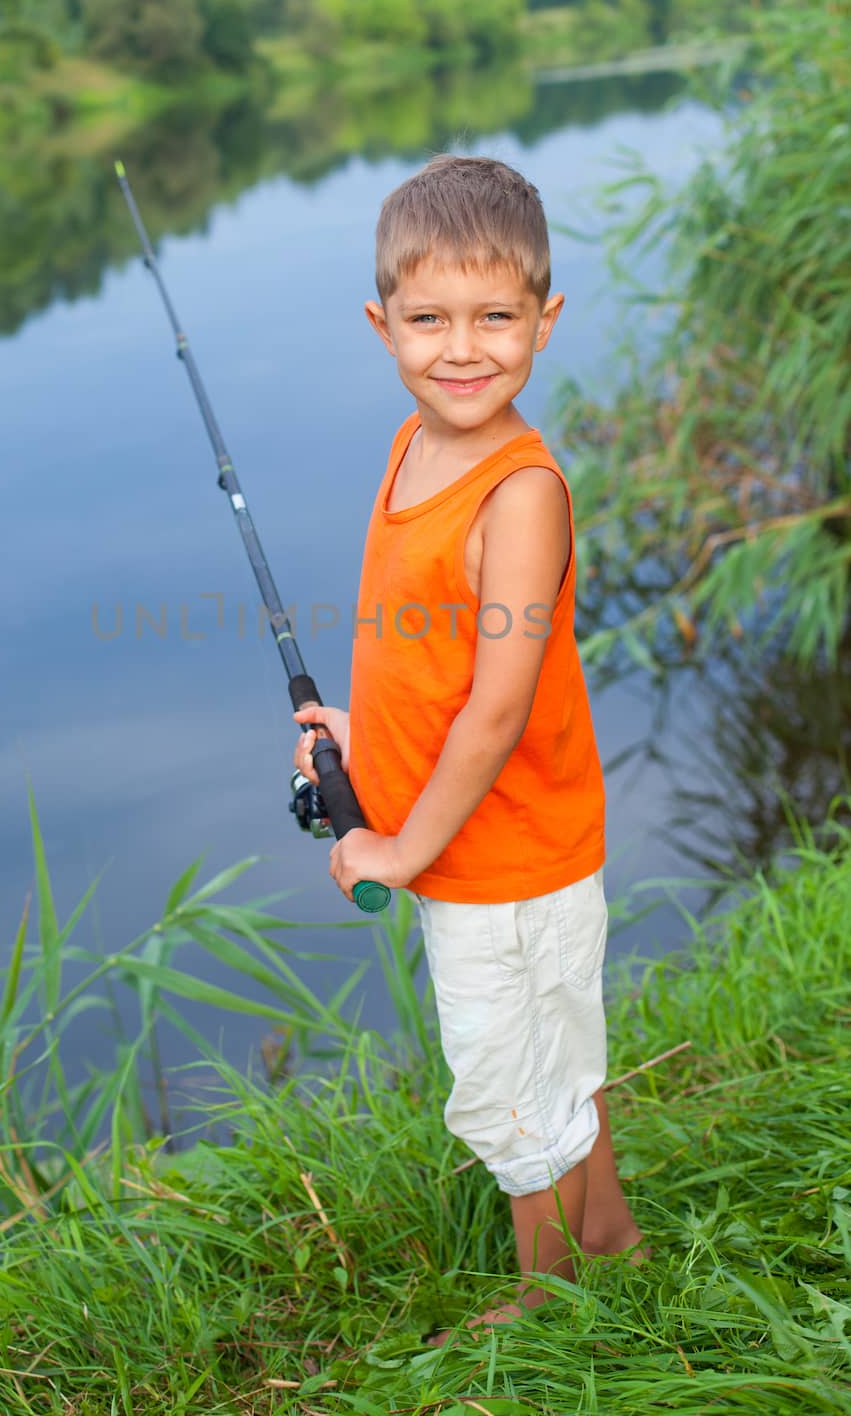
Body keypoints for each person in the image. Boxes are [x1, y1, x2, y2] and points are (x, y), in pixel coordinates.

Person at [292, 154, 645, 1337]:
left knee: (511, 1088)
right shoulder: (412, 446)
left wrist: (397, 845)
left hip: (509, 858)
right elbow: (423, 650)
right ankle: (608, 1239)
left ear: (543, 319)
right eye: (428, 318)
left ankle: (546, 1308)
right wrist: (360, 736)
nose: (461, 348)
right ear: (378, 323)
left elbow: (495, 708)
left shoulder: (519, 490)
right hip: (486, 844)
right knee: (552, 1056)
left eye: (495, 317)